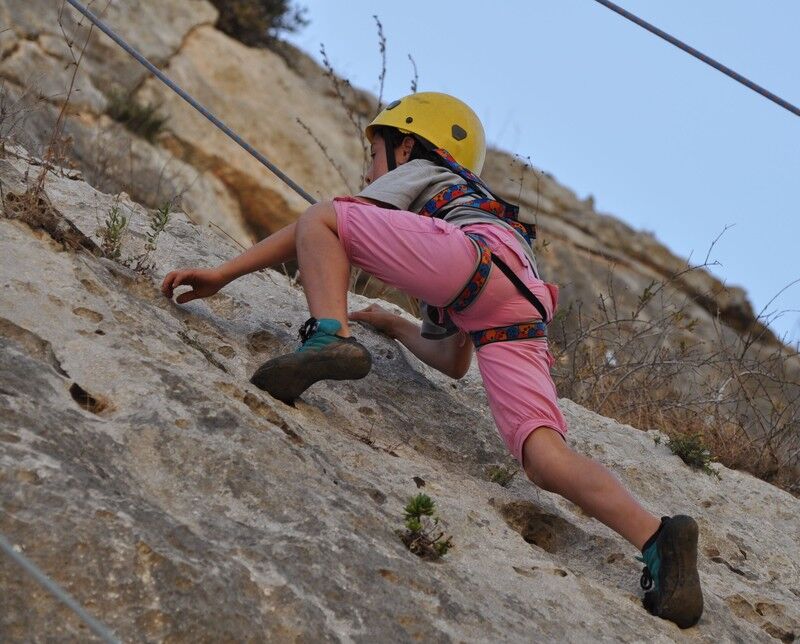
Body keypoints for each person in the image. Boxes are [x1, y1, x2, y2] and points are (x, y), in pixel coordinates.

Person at [160, 92, 704, 628]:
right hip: (516, 298)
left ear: (408, 145)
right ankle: (657, 538)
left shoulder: (425, 169)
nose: (369, 169)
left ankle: (326, 335)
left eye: (375, 154)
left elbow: (327, 223)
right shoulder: (471, 208)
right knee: (542, 454)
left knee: (322, 217)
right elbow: (450, 358)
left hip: (469, 258)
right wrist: (394, 323)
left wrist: (225, 273)